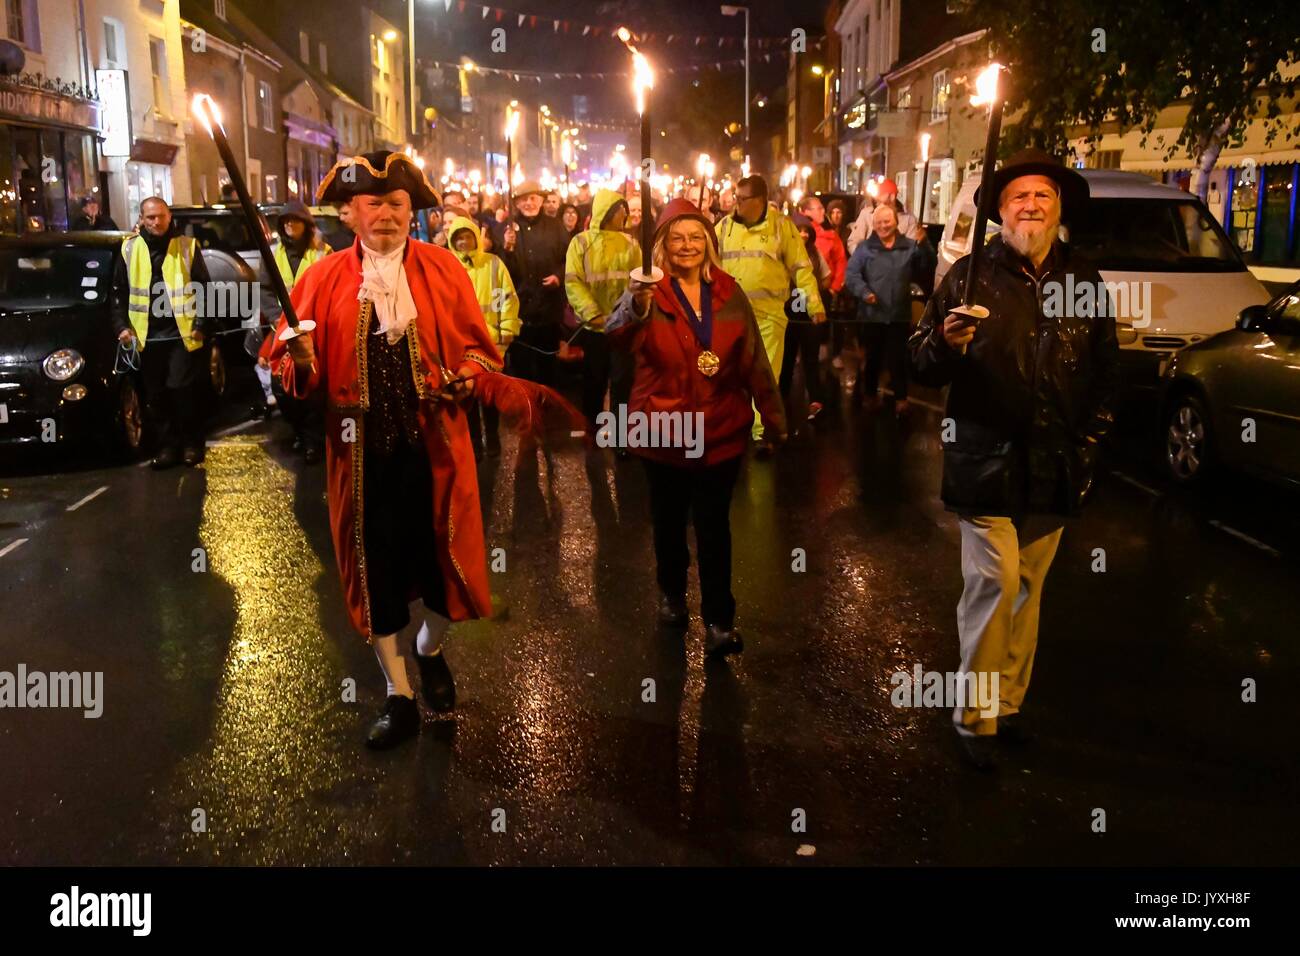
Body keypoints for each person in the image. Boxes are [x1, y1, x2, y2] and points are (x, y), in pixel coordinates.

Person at [268, 150, 505, 750]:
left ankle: (430, 653)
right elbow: (293, 376)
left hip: (437, 451)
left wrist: (467, 375)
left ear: (412, 212)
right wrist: (299, 361)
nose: (386, 214)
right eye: (372, 203)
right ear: (349, 213)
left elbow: (483, 349)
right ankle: (399, 695)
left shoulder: (444, 269)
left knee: (447, 574)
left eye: (397, 203)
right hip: (362, 460)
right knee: (377, 579)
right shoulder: (319, 280)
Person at [907, 149, 1120, 770]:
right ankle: (974, 717)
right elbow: (919, 361)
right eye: (1018, 197)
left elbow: (1107, 372)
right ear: (999, 211)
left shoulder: (1083, 279)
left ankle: (1007, 703)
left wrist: (1091, 443)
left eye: (1042, 196)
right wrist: (945, 344)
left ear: (1058, 210)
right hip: (983, 459)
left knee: (1027, 588)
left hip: (1055, 463)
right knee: (994, 582)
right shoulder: (971, 275)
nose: (1030, 206)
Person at [606, 198, 786, 657]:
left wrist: (774, 414)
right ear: (663, 247)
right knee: (667, 524)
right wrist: (634, 304)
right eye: (677, 238)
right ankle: (671, 593)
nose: (686, 246)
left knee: (713, 528)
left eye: (695, 237)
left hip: (719, 433)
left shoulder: (728, 291)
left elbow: (753, 358)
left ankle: (720, 620)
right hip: (663, 432)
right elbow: (616, 334)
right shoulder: (648, 291)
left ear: (708, 244)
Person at [716, 174, 825, 454]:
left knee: (765, 375)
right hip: (731, 315)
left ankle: (761, 432)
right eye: (735, 198)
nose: (736, 204)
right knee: (730, 374)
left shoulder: (782, 228)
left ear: (760, 200)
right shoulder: (724, 228)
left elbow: (801, 268)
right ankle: (735, 425)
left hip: (769, 316)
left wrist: (814, 305)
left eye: (742, 199)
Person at [110, 197, 214, 469]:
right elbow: (119, 292)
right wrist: (121, 326)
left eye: (161, 216)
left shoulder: (187, 247)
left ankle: (192, 443)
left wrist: (201, 323)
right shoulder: (129, 249)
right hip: (146, 337)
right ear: (142, 219)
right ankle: (168, 446)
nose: (156, 222)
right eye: (150, 218)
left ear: (169, 217)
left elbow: (204, 288)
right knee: (156, 396)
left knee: (181, 389)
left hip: (180, 333)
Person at [253, 200, 331, 460]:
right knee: (283, 387)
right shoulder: (273, 253)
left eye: (294, 220)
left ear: (306, 224)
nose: (289, 225)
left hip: (315, 329)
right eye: (285, 221)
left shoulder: (323, 252)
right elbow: (264, 290)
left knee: (313, 386)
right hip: (284, 331)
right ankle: (300, 432)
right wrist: (276, 320)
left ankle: (312, 440)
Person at [844, 204, 935, 415]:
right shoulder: (865, 248)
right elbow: (852, 276)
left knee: (898, 358)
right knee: (873, 357)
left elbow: (926, 266)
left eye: (887, 221)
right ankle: (869, 394)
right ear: (873, 225)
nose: (883, 226)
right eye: (878, 223)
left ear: (895, 221)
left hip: (898, 313)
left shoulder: (909, 246)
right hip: (871, 314)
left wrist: (925, 245)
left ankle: (901, 398)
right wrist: (865, 292)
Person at [563, 188, 640, 435]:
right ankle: (591, 426)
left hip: (622, 327)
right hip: (594, 328)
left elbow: (638, 280)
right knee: (594, 380)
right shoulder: (581, 242)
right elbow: (573, 281)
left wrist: (626, 314)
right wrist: (593, 314)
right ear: (607, 212)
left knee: (622, 382)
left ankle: (620, 435)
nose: (625, 215)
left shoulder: (630, 243)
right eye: (621, 210)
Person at [448, 214, 520, 458]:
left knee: (489, 395)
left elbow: (506, 297)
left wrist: (507, 331)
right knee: (467, 396)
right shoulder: (450, 267)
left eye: (467, 237)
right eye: (458, 239)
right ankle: (475, 443)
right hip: (462, 345)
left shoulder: (493, 264)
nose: (463, 243)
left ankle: (493, 439)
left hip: (491, 344)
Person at [509, 181, 570, 386]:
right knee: (522, 370)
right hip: (520, 312)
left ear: (542, 200)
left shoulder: (555, 227)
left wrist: (558, 276)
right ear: (516, 203)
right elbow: (501, 268)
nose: (529, 203)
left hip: (548, 310)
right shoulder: (508, 229)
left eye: (533, 198)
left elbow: (568, 258)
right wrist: (506, 248)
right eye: (524, 199)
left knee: (548, 370)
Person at [780, 212, 832, 420]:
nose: (803, 235)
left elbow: (826, 277)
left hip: (809, 314)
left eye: (806, 231)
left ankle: (815, 400)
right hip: (788, 314)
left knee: (811, 359)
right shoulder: (782, 252)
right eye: (798, 230)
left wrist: (815, 292)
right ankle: (781, 399)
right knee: (786, 359)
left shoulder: (814, 253)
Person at [846, 178, 917, 254]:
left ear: (892, 196)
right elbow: (853, 242)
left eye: (881, 194)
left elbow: (912, 248)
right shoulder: (867, 215)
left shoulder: (908, 220)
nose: (877, 199)